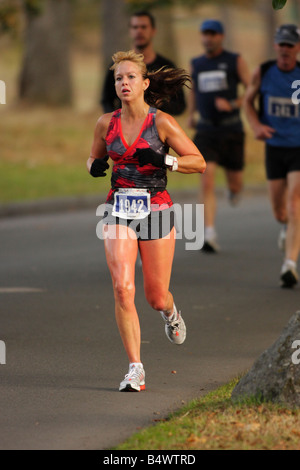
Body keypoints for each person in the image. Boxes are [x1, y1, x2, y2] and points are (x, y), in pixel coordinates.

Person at [87, 50, 206, 392]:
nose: (124, 83)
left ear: (145, 83)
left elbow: (197, 162)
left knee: (155, 296)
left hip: (156, 209)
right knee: (123, 288)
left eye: (130, 77)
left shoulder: (162, 122)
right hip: (118, 208)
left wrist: (162, 158)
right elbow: (93, 158)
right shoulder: (105, 123)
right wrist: (92, 166)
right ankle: (135, 368)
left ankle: (170, 312)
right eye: (119, 78)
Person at [244, 24, 300, 288]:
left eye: (290, 45)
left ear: (297, 48)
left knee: (294, 202)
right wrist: (256, 126)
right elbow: (247, 101)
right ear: (276, 46)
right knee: (280, 212)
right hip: (274, 147)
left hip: (298, 148)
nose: (285, 50)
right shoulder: (264, 72)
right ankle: (286, 228)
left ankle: (289, 264)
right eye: (281, 44)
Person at [187, 19, 250, 252]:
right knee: (207, 179)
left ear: (221, 36)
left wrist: (234, 103)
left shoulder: (235, 60)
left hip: (232, 128)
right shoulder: (197, 63)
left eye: (213, 34)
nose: (208, 38)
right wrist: (191, 113)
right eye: (205, 34)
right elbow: (193, 90)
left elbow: (253, 89)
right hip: (206, 130)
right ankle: (209, 232)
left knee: (235, 182)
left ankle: (234, 191)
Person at [101, 10, 186, 116]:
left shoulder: (165, 66)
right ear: (130, 31)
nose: (139, 31)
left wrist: (160, 105)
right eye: (135, 27)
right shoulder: (118, 67)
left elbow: (180, 105)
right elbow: (106, 101)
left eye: (144, 27)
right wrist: (116, 120)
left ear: (153, 31)